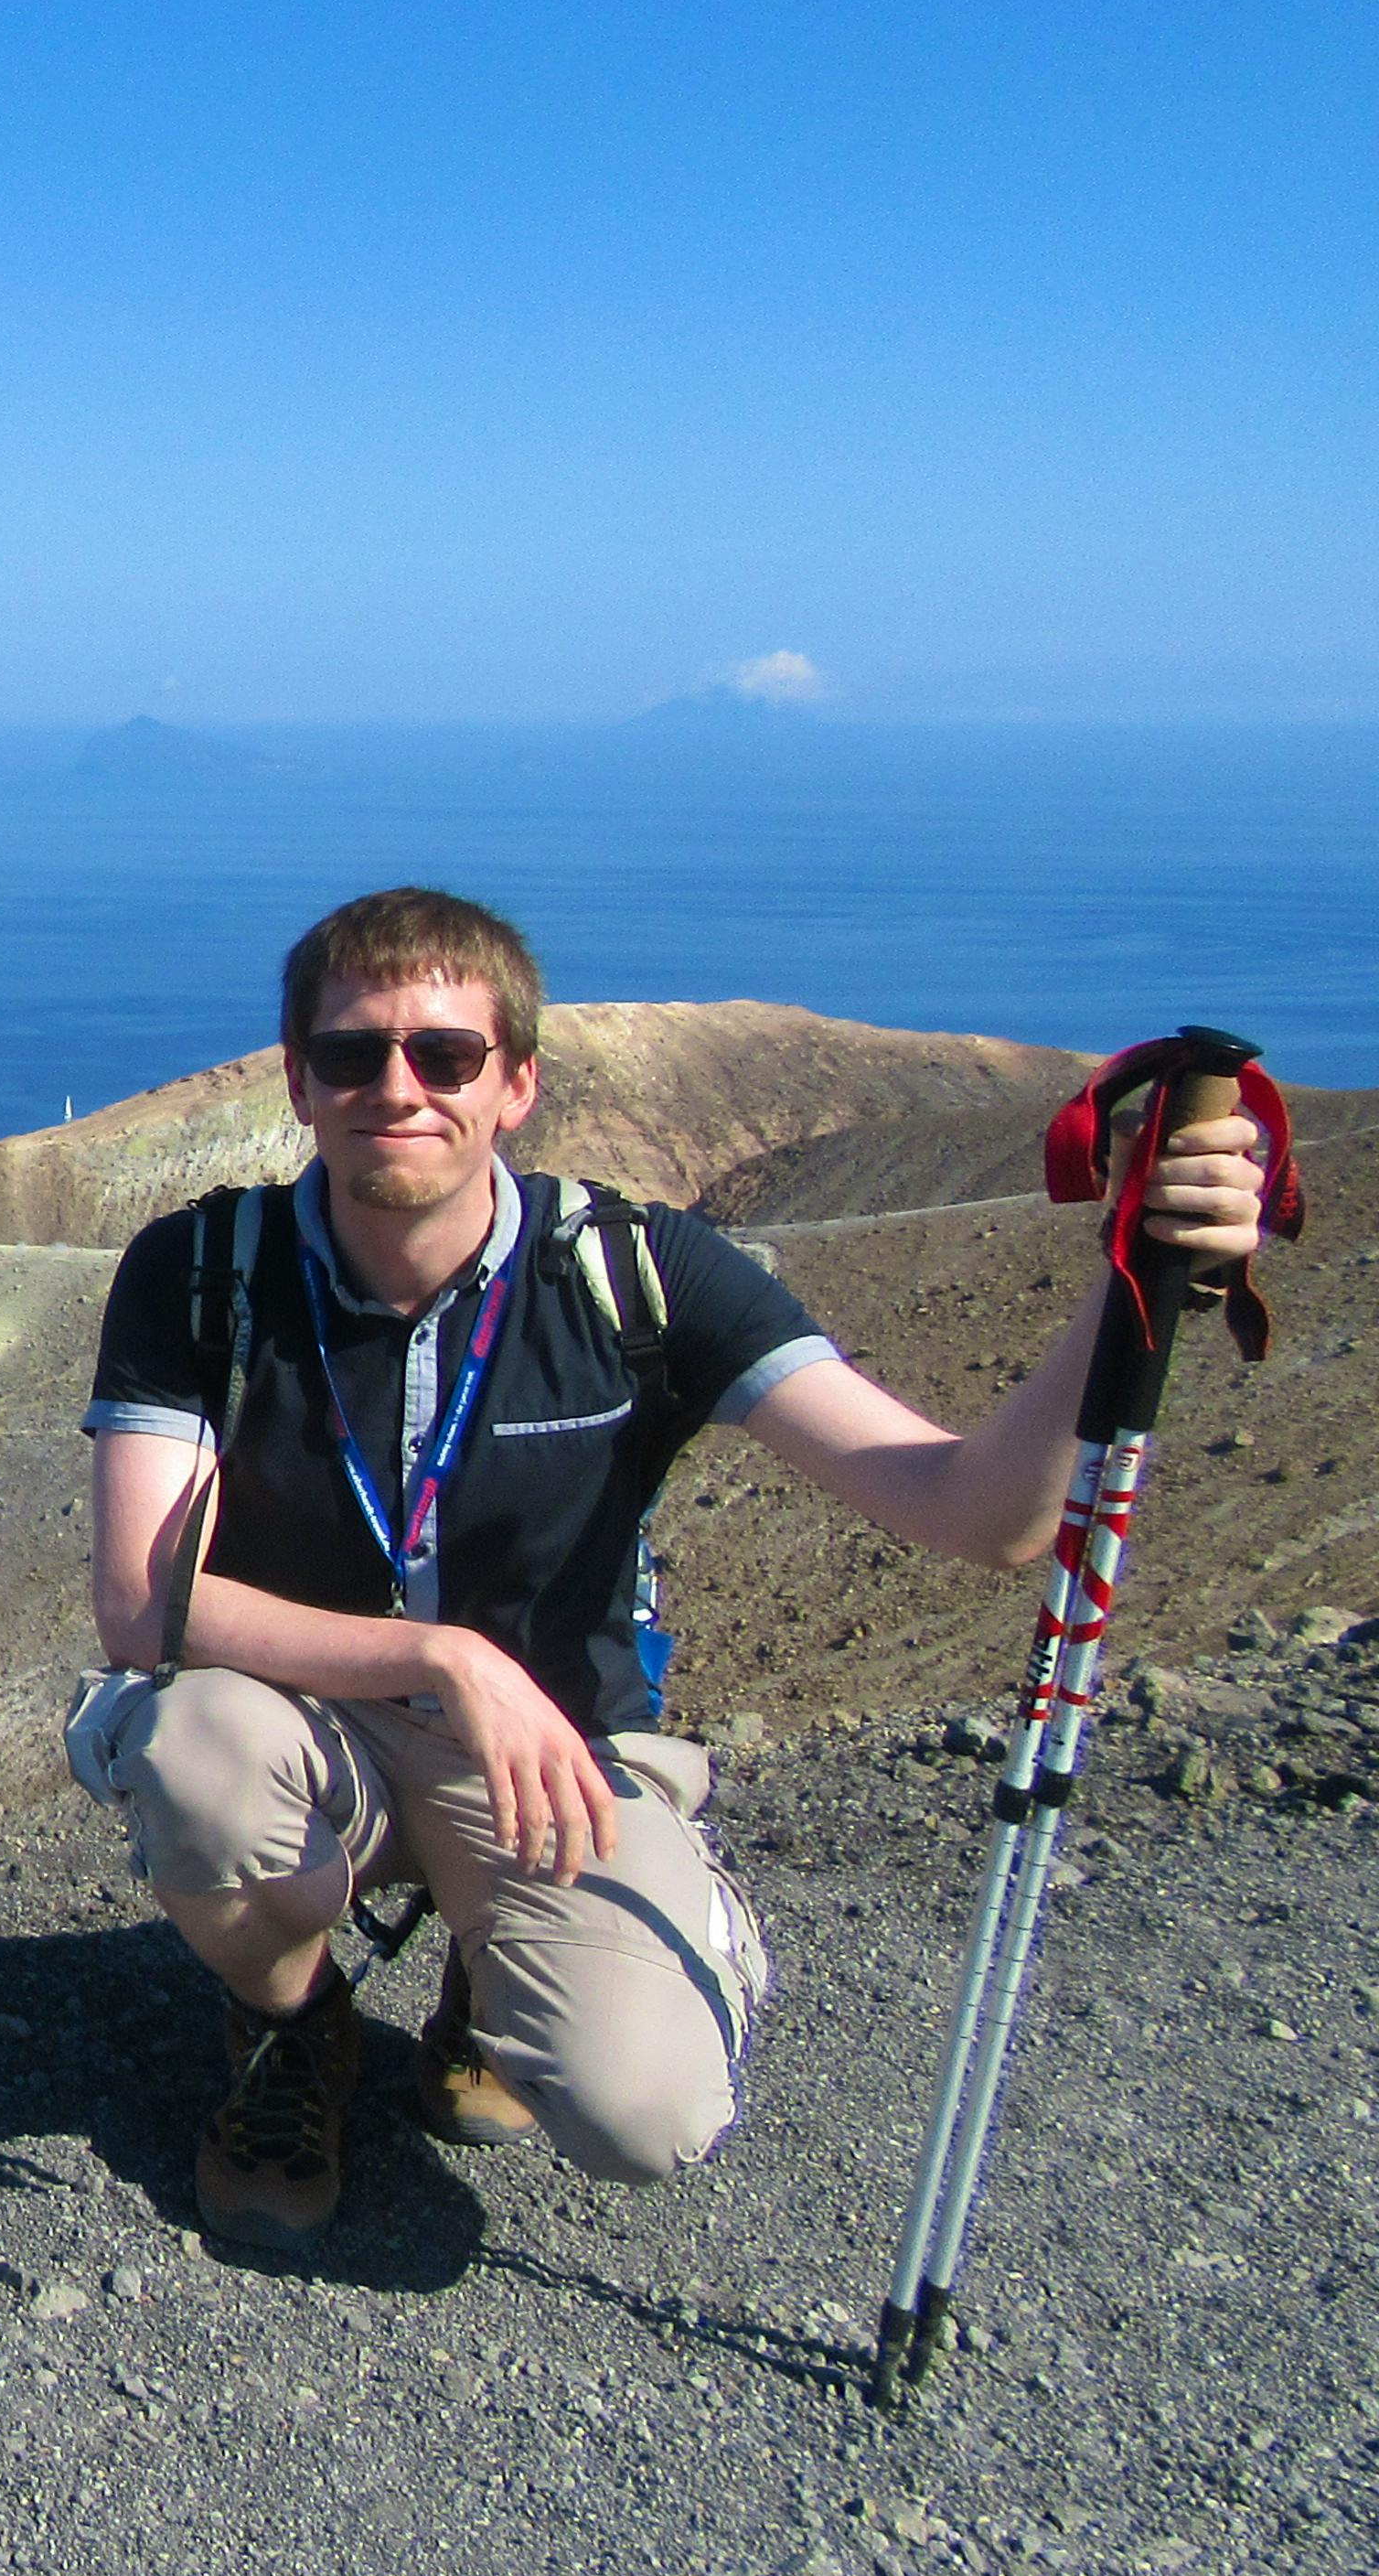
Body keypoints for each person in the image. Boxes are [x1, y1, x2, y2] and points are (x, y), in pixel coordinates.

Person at [73, 886, 1278, 2245]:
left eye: (446, 1055)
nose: (397, 1088)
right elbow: (142, 1605)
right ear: (299, 1082)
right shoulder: (202, 1275)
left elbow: (974, 1512)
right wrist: (445, 1656)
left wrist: (1129, 1284)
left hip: (556, 1760)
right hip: (301, 1730)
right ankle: (292, 2023)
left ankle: (521, 1965)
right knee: (193, 1756)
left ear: (517, 1084)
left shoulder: (638, 1276)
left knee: (642, 2112)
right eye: (353, 1055)